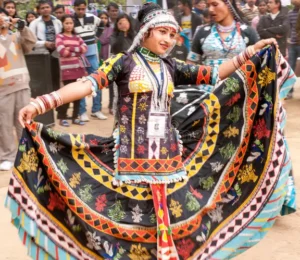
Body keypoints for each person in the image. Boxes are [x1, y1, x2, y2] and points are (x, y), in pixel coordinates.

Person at [7, 3, 296, 260]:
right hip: (128, 155)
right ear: (145, 31)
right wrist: (43, 102)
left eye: (172, 35)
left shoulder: (172, 66)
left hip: (168, 155)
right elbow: (86, 85)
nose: (169, 40)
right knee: (125, 215)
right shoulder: (123, 62)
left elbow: (216, 74)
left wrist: (251, 52)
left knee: (170, 216)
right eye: (162, 33)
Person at [0, 8, 36, 171]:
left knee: (24, 121)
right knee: (4, 124)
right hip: (2, 89)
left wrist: (22, 26)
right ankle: (7, 156)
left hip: (22, 85)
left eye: (3, 17)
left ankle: (27, 152)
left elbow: (31, 42)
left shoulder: (16, 36)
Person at [187, 0, 259, 67]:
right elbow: (190, 64)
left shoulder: (248, 32)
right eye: (208, 5)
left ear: (228, 3)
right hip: (208, 80)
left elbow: (258, 63)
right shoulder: (202, 32)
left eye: (215, 4)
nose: (210, 9)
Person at [73, 0, 107, 121]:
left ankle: (96, 109)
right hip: (79, 55)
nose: (81, 11)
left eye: (83, 9)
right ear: (74, 8)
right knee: (81, 82)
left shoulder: (92, 17)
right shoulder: (71, 20)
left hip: (92, 53)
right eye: (79, 9)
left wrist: (96, 37)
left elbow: (102, 23)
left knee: (97, 79)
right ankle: (82, 111)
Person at [55, 15, 87, 126]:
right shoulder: (59, 37)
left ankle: (75, 117)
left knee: (78, 96)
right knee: (67, 95)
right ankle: (62, 117)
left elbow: (84, 48)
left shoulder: (77, 36)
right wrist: (77, 51)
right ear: (62, 24)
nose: (69, 25)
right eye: (66, 23)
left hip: (79, 70)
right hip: (67, 71)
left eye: (71, 23)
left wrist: (71, 48)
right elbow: (62, 51)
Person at [29, 0, 62, 97]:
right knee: (43, 79)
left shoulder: (57, 22)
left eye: (47, 7)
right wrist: (44, 43)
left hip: (56, 55)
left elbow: (61, 36)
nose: (45, 9)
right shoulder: (34, 23)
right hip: (41, 55)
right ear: (39, 10)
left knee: (56, 78)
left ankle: (56, 103)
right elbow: (31, 41)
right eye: (42, 8)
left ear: (51, 8)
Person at [98, 10, 114, 114]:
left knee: (111, 83)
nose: (103, 20)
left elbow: (103, 40)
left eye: (105, 18)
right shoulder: (95, 29)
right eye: (101, 18)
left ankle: (111, 104)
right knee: (98, 82)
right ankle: (97, 107)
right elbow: (101, 40)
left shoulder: (111, 29)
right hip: (98, 57)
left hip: (109, 58)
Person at [286, 0, 300, 99]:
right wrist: (289, 39)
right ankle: (289, 91)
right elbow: (289, 29)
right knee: (290, 67)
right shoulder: (290, 14)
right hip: (293, 44)